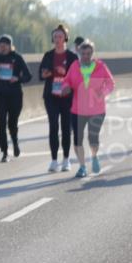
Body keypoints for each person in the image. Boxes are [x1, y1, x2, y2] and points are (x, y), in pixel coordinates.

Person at [61, 40, 115, 177]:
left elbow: (110, 83)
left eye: (88, 53)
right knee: (77, 139)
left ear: (92, 53)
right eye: (83, 53)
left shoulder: (100, 66)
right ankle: (82, 167)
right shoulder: (74, 66)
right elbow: (66, 81)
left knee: (93, 138)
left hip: (96, 110)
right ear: (79, 53)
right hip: (78, 109)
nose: (85, 56)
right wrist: (65, 88)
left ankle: (94, 156)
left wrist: (102, 92)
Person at [0, 35, 33, 162]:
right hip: (0, 94)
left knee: (12, 123)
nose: (3, 47)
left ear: (10, 46)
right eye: (1, 45)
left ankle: (15, 142)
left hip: (15, 94)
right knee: (1, 122)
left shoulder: (17, 58)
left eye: (5, 44)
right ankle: (4, 152)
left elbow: (28, 76)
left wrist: (18, 79)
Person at [39, 24, 79, 172]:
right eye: (55, 36)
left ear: (65, 38)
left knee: (66, 128)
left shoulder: (72, 57)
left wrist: (68, 82)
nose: (57, 39)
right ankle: (54, 160)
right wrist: (47, 73)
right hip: (51, 96)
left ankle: (66, 159)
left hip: (67, 97)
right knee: (53, 127)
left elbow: (78, 77)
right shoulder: (48, 55)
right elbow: (41, 74)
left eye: (60, 36)